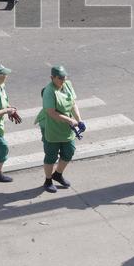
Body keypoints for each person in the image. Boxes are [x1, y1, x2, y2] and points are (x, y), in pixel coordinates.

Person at [35, 65, 83, 193]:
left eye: (64, 77)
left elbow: (73, 104)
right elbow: (51, 112)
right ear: (52, 78)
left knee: (69, 151)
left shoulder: (67, 85)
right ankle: (48, 180)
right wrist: (70, 120)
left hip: (65, 125)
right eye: (60, 78)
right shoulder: (49, 91)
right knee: (51, 155)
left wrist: (79, 120)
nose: (63, 79)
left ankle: (58, 174)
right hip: (50, 126)